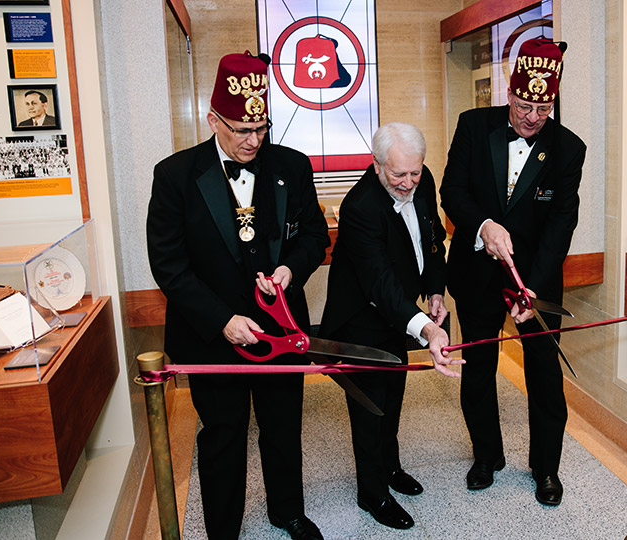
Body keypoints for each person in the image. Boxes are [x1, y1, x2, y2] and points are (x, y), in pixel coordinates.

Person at [147, 52, 329, 540]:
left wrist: (292, 268)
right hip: (213, 336)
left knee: (283, 425)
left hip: (281, 326)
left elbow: (314, 235)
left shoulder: (292, 165)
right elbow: (169, 265)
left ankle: (287, 512)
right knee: (224, 434)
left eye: (261, 128)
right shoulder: (175, 176)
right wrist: (223, 319)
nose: (253, 141)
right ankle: (223, 529)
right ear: (213, 120)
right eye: (240, 130)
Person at [440, 38, 586, 506]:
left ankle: (546, 468)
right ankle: (486, 456)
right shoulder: (472, 126)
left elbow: (562, 224)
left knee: (544, 374)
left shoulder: (568, 149)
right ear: (509, 90)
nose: (531, 117)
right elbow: (451, 192)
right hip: (476, 275)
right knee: (479, 368)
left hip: (534, 280)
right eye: (524, 104)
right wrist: (483, 225)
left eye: (542, 108)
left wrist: (534, 288)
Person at [320, 122, 463, 530]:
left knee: (394, 395)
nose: (408, 183)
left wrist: (435, 290)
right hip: (361, 319)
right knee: (370, 406)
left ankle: (391, 467)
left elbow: (432, 240)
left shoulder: (422, 178)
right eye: (398, 175)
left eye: (414, 173)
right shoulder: (360, 207)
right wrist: (428, 330)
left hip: (401, 312)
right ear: (377, 165)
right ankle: (372, 493)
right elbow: (380, 283)